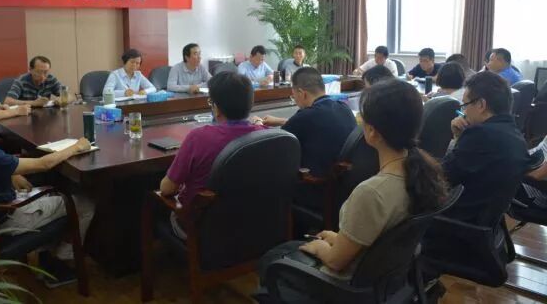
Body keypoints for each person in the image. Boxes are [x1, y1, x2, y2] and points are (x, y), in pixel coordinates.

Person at [257, 79, 447, 298]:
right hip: (383, 280)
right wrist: (338, 239)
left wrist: (319, 248)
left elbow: (335, 262)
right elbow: (378, 235)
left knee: (271, 260)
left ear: (372, 132)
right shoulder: (425, 172)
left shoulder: (372, 193)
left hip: (342, 289)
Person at [0, 78, 94, 286]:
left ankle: (46, 253)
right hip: (5, 219)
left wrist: (10, 172)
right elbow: (43, 163)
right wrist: (77, 146)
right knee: (84, 202)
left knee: (50, 186)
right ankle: (58, 262)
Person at [160, 71, 266, 239]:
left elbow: (167, 189)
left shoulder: (198, 137)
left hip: (202, 229)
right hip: (253, 224)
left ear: (216, 108)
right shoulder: (265, 135)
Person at [251, 67, 356, 210]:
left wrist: (258, 124)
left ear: (302, 93)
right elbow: (316, 122)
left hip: (316, 192)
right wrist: (281, 120)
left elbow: (275, 145)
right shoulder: (343, 108)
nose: (294, 99)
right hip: (344, 191)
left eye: (293, 95)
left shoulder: (304, 117)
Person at [441, 71, 532, 225]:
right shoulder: (515, 134)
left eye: (465, 105)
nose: (464, 112)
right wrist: (460, 138)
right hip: (484, 225)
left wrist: (457, 139)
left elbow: (441, 177)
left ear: (481, 105)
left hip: (455, 223)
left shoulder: (480, 135)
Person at [5, 56, 72, 107]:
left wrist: (62, 100)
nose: (42, 76)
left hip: (45, 117)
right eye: (38, 72)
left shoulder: (50, 79)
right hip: (25, 116)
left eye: (45, 72)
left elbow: (70, 96)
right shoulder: (21, 81)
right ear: (30, 70)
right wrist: (34, 103)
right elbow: (8, 102)